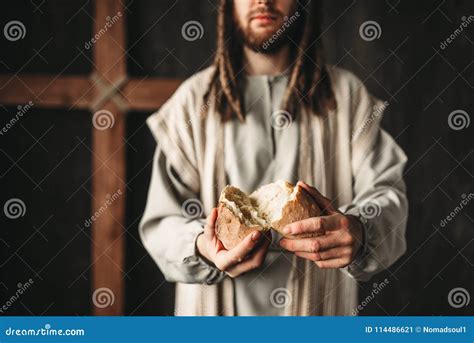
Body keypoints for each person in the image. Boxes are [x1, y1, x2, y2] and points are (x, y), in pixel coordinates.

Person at [139, 0, 408, 316]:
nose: (262, 1)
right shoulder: (190, 103)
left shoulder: (347, 97)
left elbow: (388, 197)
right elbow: (161, 223)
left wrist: (361, 231)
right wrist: (202, 247)